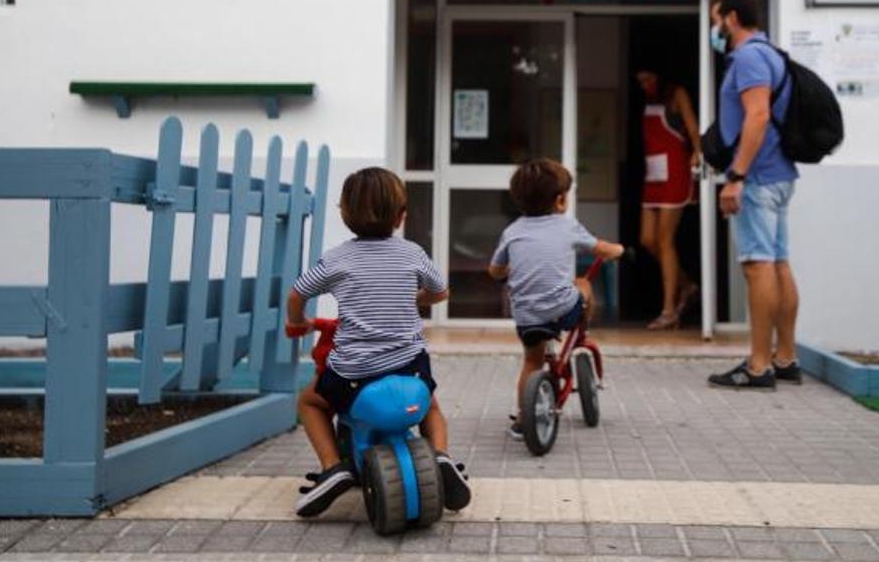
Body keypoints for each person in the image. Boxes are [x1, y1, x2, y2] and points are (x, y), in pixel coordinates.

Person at [285, 167, 471, 516]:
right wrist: (413, 299)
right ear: (401, 217)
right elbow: (440, 292)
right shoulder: (412, 253)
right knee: (431, 407)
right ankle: (442, 457)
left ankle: (332, 468)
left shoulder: (336, 259)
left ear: (344, 214)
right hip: (410, 368)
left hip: (355, 373)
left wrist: (297, 323)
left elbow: (297, 295)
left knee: (310, 402)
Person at [705, 0, 803, 390]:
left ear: (730, 19)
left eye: (716, 20)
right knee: (778, 263)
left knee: (757, 265)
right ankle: (785, 357)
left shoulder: (748, 57)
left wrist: (737, 176)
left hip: (758, 177)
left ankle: (759, 365)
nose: (715, 29)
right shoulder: (772, 54)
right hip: (778, 174)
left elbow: (758, 114)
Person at [487, 158, 625, 439]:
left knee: (531, 361)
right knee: (583, 284)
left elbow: (495, 270)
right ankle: (580, 330)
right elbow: (603, 249)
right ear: (560, 201)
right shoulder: (567, 226)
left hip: (526, 315)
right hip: (563, 310)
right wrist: (619, 249)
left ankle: (523, 417)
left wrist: (508, 272)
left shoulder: (512, 232)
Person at [635, 67, 702, 330]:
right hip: (653, 173)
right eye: (640, 81)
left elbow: (692, 127)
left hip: (675, 172)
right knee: (647, 240)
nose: (644, 85)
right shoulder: (650, 101)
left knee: (665, 241)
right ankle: (687, 286)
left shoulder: (677, 94)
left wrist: (697, 152)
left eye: (648, 78)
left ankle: (669, 310)